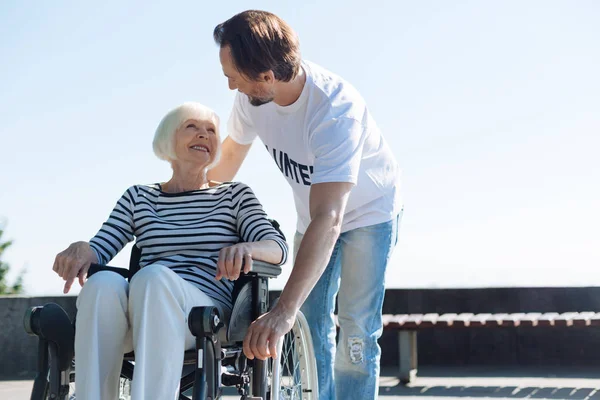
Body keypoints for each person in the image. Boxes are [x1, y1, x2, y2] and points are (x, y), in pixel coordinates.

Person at [209, 10, 403, 400]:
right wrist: (184, 200)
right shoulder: (252, 100)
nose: (228, 83)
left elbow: (331, 217)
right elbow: (227, 160)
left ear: (266, 75)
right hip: (312, 218)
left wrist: (281, 311)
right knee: (311, 326)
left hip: (368, 215)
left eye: (233, 74)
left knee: (356, 331)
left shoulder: (335, 110)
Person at [51, 102, 288, 400]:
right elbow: (99, 248)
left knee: (153, 278)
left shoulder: (234, 195)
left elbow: (277, 248)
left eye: (212, 131)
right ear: (168, 140)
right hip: (140, 311)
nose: (204, 135)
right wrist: (81, 250)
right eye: (192, 127)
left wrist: (247, 247)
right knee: (101, 283)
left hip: (201, 313)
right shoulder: (139, 197)